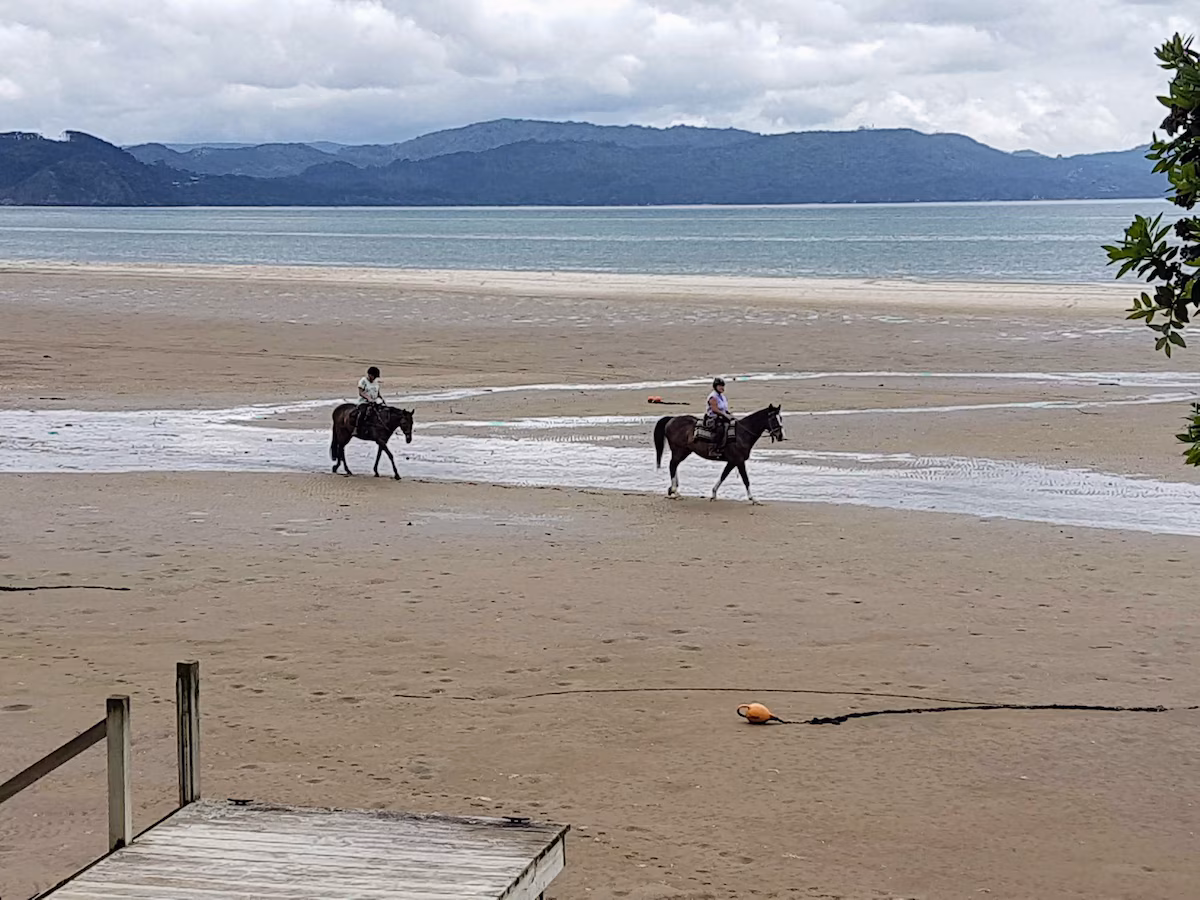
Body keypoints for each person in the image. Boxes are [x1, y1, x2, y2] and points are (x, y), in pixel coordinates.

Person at [706, 377, 734, 455]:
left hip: (722, 416)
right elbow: (715, 409)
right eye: (720, 386)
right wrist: (725, 415)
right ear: (715, 387)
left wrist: (729, 414)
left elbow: (724, 409)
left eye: (722, 386)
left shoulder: (723, 397)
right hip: (713, 418)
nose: (722, 388)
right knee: (720, 429)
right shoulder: (713, 397)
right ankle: (713, 449)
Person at [356, 366, 386, 438]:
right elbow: (361, 392)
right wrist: (368, 398)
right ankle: (357, 429)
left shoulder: (376, 383)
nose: (374, 378)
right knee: (363, 413)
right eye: (374, 376)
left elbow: (377, 393)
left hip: (375, 401)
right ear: (369, 375)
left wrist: (382, 400)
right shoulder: (363, 381)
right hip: (364, 402)